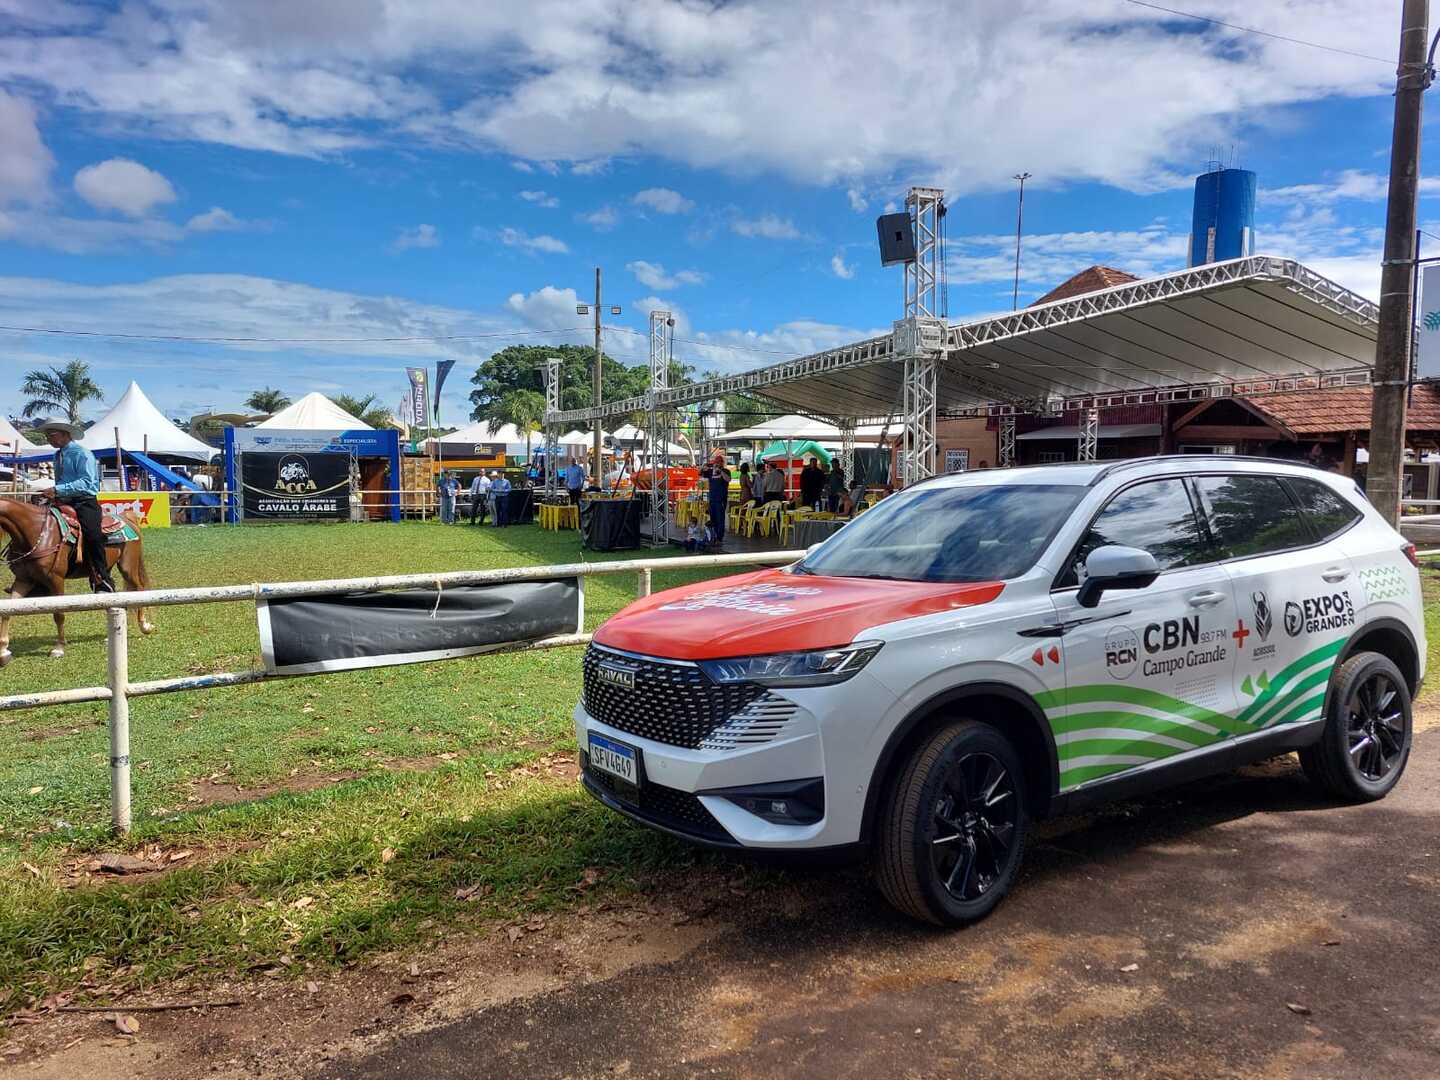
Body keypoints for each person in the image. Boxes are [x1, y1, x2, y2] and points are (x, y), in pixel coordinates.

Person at [34, 418, 113, 592]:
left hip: (84, 501)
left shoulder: (82, 453)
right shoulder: (57, 455)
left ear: (64, 434)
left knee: (93, 534)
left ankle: (102, 578)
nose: (48, 439)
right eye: (47, 435)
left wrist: (57, 490)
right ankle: (37, 576)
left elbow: (87, 483)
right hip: (62, 500)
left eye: (51, 435)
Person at [706, 454, 731, 549]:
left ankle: (719, 538)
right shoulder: (710, 472)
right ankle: (713, 536)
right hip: (712, 499)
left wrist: (720, 471)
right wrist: (705, 466)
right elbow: (700, 473)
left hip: (721, 500)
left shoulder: (726, 471)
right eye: (715, 463)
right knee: (713, 519)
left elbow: (728, 479)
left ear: (721, 463)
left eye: (718, 463)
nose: (716, 465)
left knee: (720, 519)